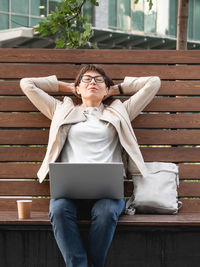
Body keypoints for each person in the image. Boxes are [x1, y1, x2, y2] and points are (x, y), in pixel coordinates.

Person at [20, 64, 161, 267]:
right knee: (58, 209)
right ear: (77, 89)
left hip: (107, 195)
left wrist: (116, 89)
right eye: (86, 79)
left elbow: (153, 82)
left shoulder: (120, 111)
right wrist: (68, 87)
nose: (92, 82)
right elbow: (27, 84)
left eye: (99, 80)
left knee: (105, 213)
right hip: (69, 194)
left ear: (106, 89)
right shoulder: (62, 110)